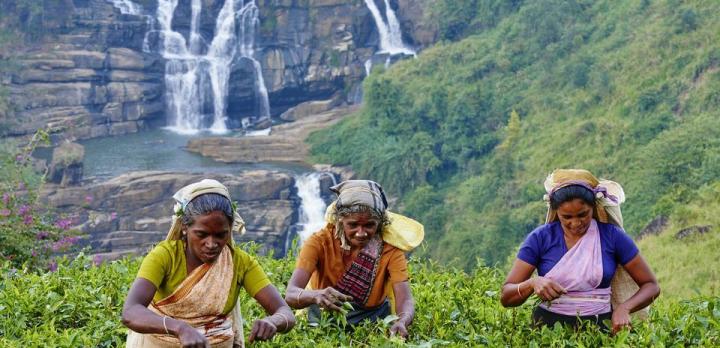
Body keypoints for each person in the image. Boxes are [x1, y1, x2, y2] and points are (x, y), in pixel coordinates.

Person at [122, 179, 295, 347]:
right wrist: (180, 328)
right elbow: (131, 311)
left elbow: (286, 313)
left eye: (220, 235)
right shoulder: (165, 256)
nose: (211, 244)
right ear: (184, 227)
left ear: (230, 230)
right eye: (201, 234)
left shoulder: (240, 263)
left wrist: (273, 321)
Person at [500, 169, 660, 333]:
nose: (576, 223)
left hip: (600, 330)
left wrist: (624, 308)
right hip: (548, 331)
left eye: (583, 215)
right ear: (556, 212)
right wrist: (532, 283)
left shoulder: (612, 237)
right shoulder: (540, 238)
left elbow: (651, 285)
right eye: (567, 217)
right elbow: (506, 297)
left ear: (594, 207)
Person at [284, 180, 423, 338]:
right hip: (325, 319)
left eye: (369, 225)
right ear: (340, 220)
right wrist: (316, 296)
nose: (361, 233)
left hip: (373, 320)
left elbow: (405, 299)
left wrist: (402, 321)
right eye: (353, 225)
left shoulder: (389, 250)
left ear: (380, 223)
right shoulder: (319, 242)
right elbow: (291, 294)